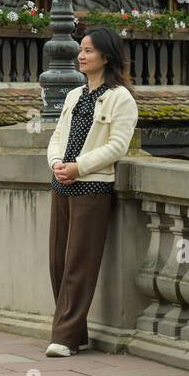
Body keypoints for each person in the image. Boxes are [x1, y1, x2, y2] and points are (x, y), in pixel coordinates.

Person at [44, 27, 139, 358]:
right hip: (62, 184)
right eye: (81, 50)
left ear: (106, 57)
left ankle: (66, 337)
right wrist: (57, 162)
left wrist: (79, 167)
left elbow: (117, 146)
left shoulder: (121, 98)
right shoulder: (74, 95)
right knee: (58, 263)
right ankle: (77, 332)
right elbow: (57, 135)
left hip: (92, 187)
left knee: (79, 263)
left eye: (88, 51)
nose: (80, 56)